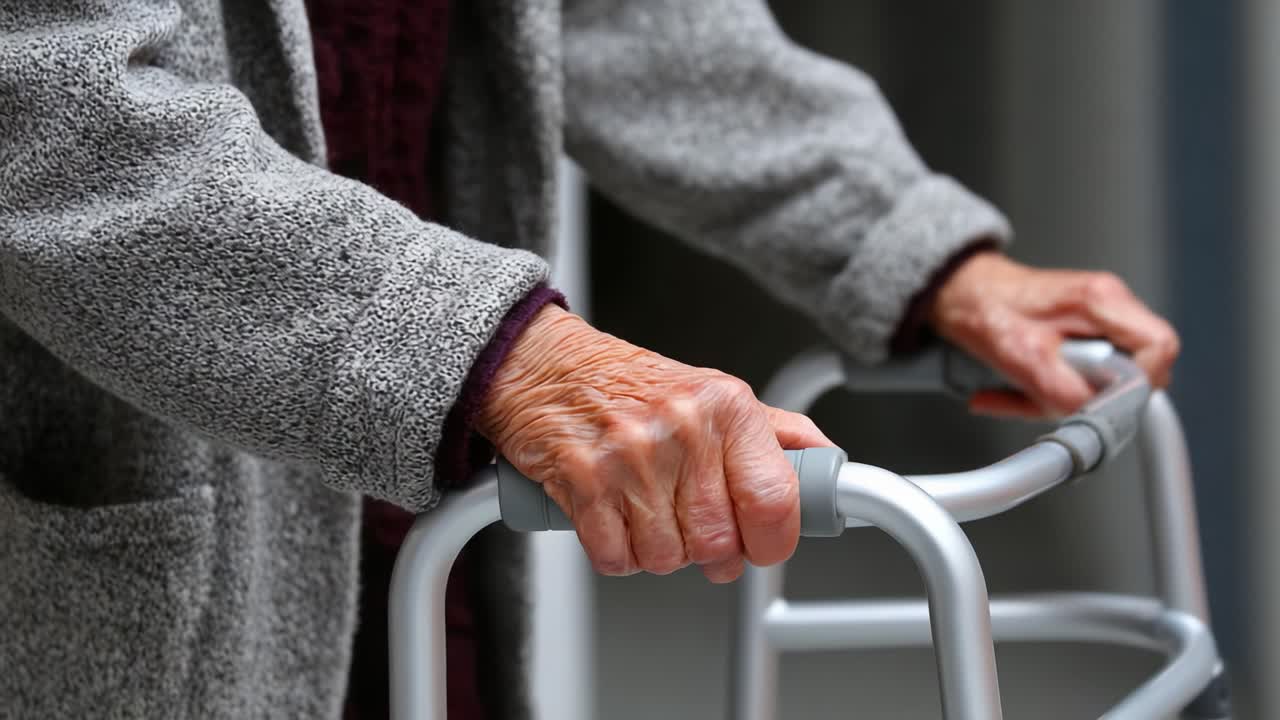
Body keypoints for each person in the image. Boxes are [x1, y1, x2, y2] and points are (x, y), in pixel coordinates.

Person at [0, 0, 1178, 718]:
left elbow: (623, 17)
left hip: (407, 521)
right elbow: (47, 96)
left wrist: (905, 242)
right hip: (150, 521)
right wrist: (503, 358)